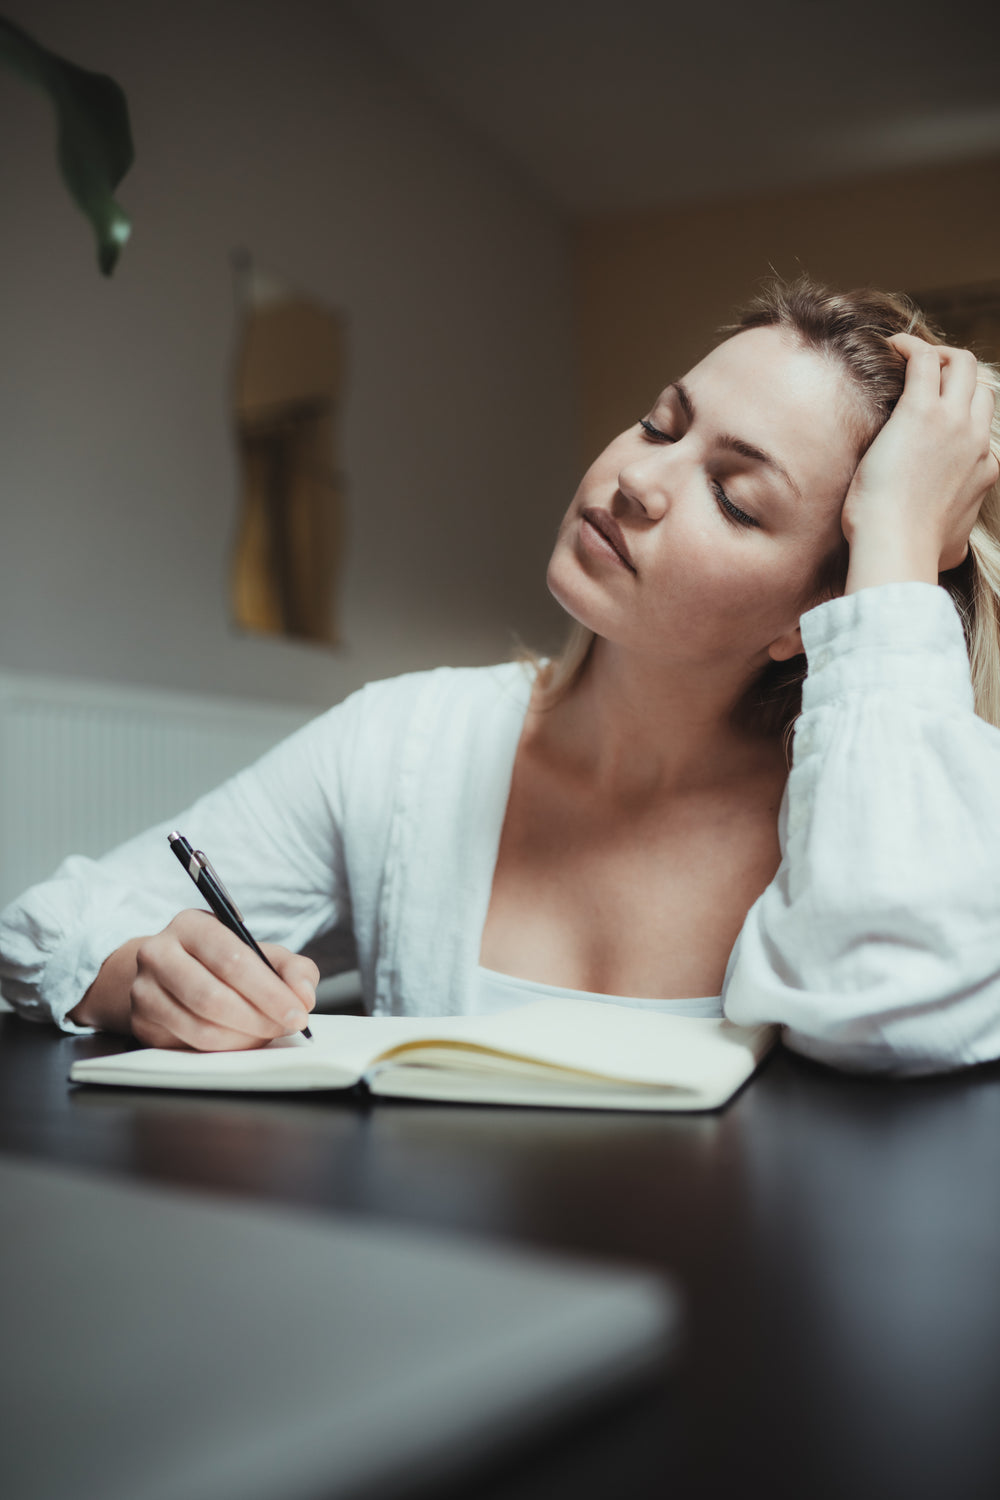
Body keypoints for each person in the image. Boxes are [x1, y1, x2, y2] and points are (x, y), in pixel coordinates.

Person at [2, 277, 999, 1074]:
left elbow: (889, 1007)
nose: (636, 481)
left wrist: (900, 550)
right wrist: (141, 976)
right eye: (658, 425)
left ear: (818, 616)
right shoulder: (404, 745)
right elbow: (49, 922)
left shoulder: (921, 808)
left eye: (734, 498)